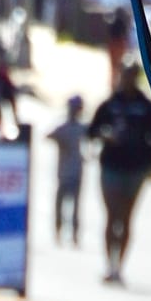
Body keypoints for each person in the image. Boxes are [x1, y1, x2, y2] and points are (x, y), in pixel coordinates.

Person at [89, 55, 151, 284]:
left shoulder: (146, 107)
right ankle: (109, 264)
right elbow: (92, 131)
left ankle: (119, 265)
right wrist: (106, 135)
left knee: (126, 217)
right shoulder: (110, 104)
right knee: (112, 216)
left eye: (133, 75)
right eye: (126, 75)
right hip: (111, 166)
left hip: (136, 169)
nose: (128, 79)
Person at [50, 92, 87, 244]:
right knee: (60, 204)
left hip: (76, 171)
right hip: (63, 172)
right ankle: (58, 230)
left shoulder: (82, 128)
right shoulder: (63, 127)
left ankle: (74, 234)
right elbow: (48, 135)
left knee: (75, 206)